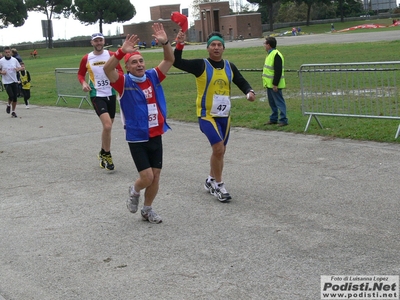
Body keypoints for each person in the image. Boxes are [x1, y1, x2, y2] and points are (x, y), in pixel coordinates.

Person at [173, 30, 256, 202]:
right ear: (208, 48)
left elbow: (241, 81)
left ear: (224, 48)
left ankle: (211, 180)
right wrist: (179, 44)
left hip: (224, 116)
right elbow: (177, 62)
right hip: (206, 116)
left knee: (220, 151)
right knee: (218, 148)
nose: (216, 47)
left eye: (219, 45)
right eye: (213, 45)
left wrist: (249, 91)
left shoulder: (229, 66)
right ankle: (219, 186)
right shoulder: (201, 65)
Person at [103, 23, 174, 224]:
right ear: (127, 67)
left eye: (141, 61)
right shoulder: (122, 82)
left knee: (156, 176)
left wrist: (165, 43)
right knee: (147, 177)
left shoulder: (153, 76)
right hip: (137, 136)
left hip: (155, 133)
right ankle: (134, 190)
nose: (139, 64)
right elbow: (107, 70)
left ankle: (147, 209)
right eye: (134, 62)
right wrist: (120, 52)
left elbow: (169, 59)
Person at [78, 32, 123, 171]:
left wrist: (117, 79)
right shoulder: (87, 58)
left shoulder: (111, 55)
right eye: (95, 41)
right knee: (108, 126)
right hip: (96, 94)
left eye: (100, 40)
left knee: (107, 128)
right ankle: (108, 155)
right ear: (92, 43)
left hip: (111, 93)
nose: (98, 43)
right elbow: (80, 74)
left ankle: (102, 152)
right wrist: (84, 83)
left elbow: (120, 71)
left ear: (104, 42)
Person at [262, 37, 288, 127]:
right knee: (272, 103)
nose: (264, 46)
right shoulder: (270, 54)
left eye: (265, 44)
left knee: (279, 102)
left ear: (269, 45)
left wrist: (275, 84)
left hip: (274, 85)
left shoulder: (276, 55)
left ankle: (283, 119)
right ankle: (273, 119)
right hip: (269, 84)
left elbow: (278, 71)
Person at [0, 46, 24, 118]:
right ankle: (8, 105)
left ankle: (13, 111)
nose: (7, 53)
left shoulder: (14, 60)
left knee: (15, 98)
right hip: (6, 81)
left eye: (9, 52)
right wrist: (1, 72)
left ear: (11, 52)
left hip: (14, 80)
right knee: (11, 96)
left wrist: (18, 69)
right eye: (6, 52)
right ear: (4, 53)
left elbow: (20, 67)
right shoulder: (1, 61)